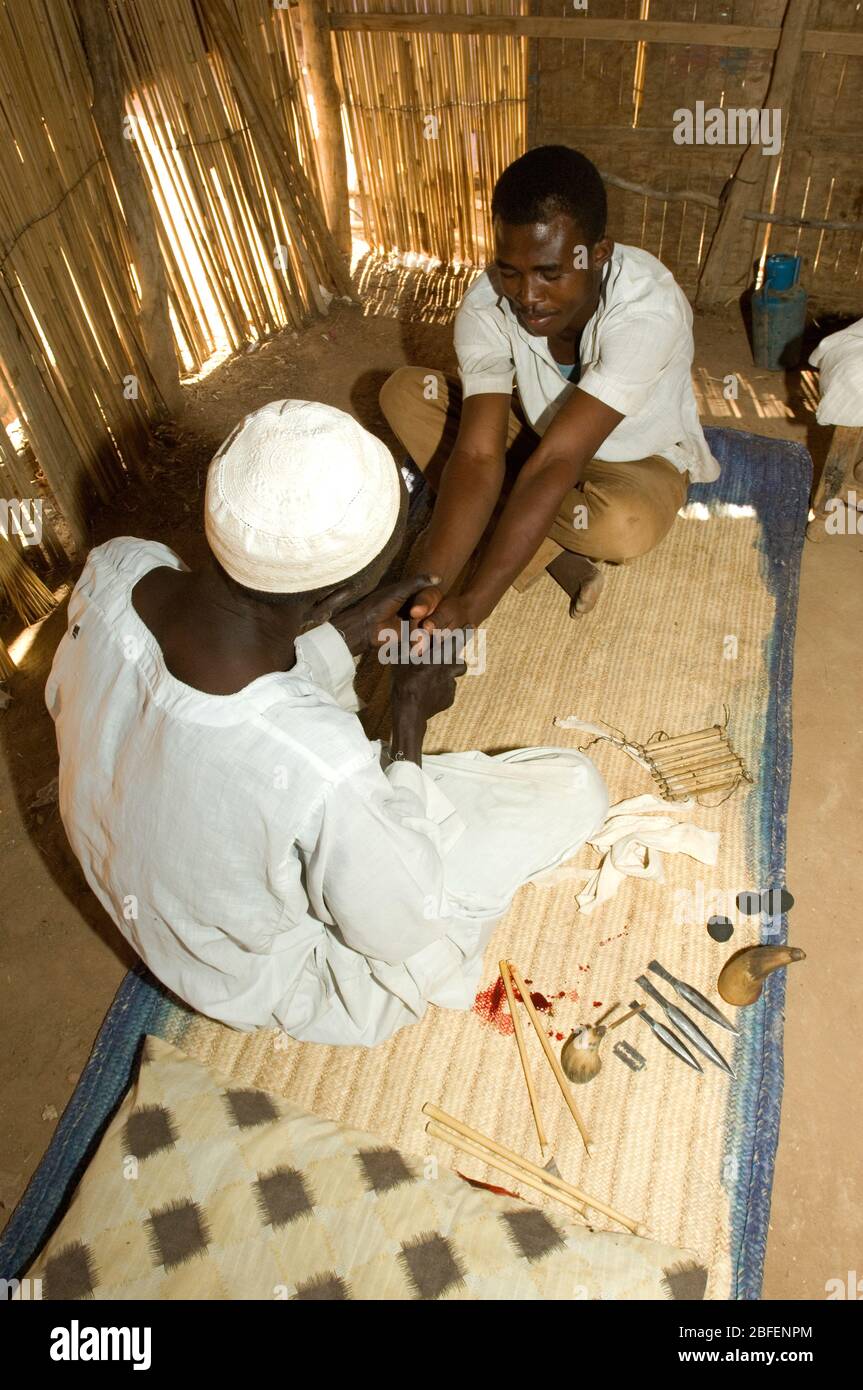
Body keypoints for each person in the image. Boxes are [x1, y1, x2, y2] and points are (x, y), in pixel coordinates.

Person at [46, 400, 608, 1047]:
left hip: (149, 884)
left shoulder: (118, 566)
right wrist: (407, 724)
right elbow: (398, 925)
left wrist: (350, 631)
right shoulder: (321, 763)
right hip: (266, 973)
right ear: (331, 594)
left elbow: (200, 718)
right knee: (572, 787)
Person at [379, 145, 720, 627]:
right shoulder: (488, 302)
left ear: (598, 253)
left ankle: (531, 536)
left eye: (550, 274)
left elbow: (559, 461)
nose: (526, 297)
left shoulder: (648, 311)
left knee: (622, 527)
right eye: (510, 271)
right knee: (405, 394)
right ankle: (546, 546)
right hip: (540, 442)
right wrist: (422, 594)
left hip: (637, 457)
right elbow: (477, 456)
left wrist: (473, 606)